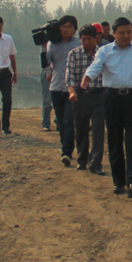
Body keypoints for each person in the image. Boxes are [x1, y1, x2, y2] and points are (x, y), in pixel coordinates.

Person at [82, 17, 132, 198]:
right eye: (122, 33)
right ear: (114, 34)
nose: (126, 36)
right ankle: (118, 182)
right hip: (112, 98)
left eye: (129, 32)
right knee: (114, 140)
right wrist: (88, 77)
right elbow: (96, 66)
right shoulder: (105, 51)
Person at [66, 24, 106, 175]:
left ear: (95, 38)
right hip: (80, 96)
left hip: (99, 94)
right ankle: (82, 159)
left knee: (98, 129)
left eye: (89, 39)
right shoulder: (74, 54)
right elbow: (70, 75)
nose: (87, 42)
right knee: (81, 128)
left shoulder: (102, 53)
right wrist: (71, 92)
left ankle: (95, 162)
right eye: (83, 39)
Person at [47, 15, 81, 166]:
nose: (66, 30)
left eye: (69, 27)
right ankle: (65, 145)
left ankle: (67, 152)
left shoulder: (79, 43)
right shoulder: (52, 43)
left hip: (72, 88)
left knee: (68, 120)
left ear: (74, 29)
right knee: (60, 121)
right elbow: (47, 62)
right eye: (63, 27)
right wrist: (44, 46)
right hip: (56, 86)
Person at [40, 42, 53, 131]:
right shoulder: (46, 43)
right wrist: (48, 71)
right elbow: (43, 58)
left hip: (60, 72)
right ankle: (46, 123)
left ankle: (58, 121)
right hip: (47, 72)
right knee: (47, 100)